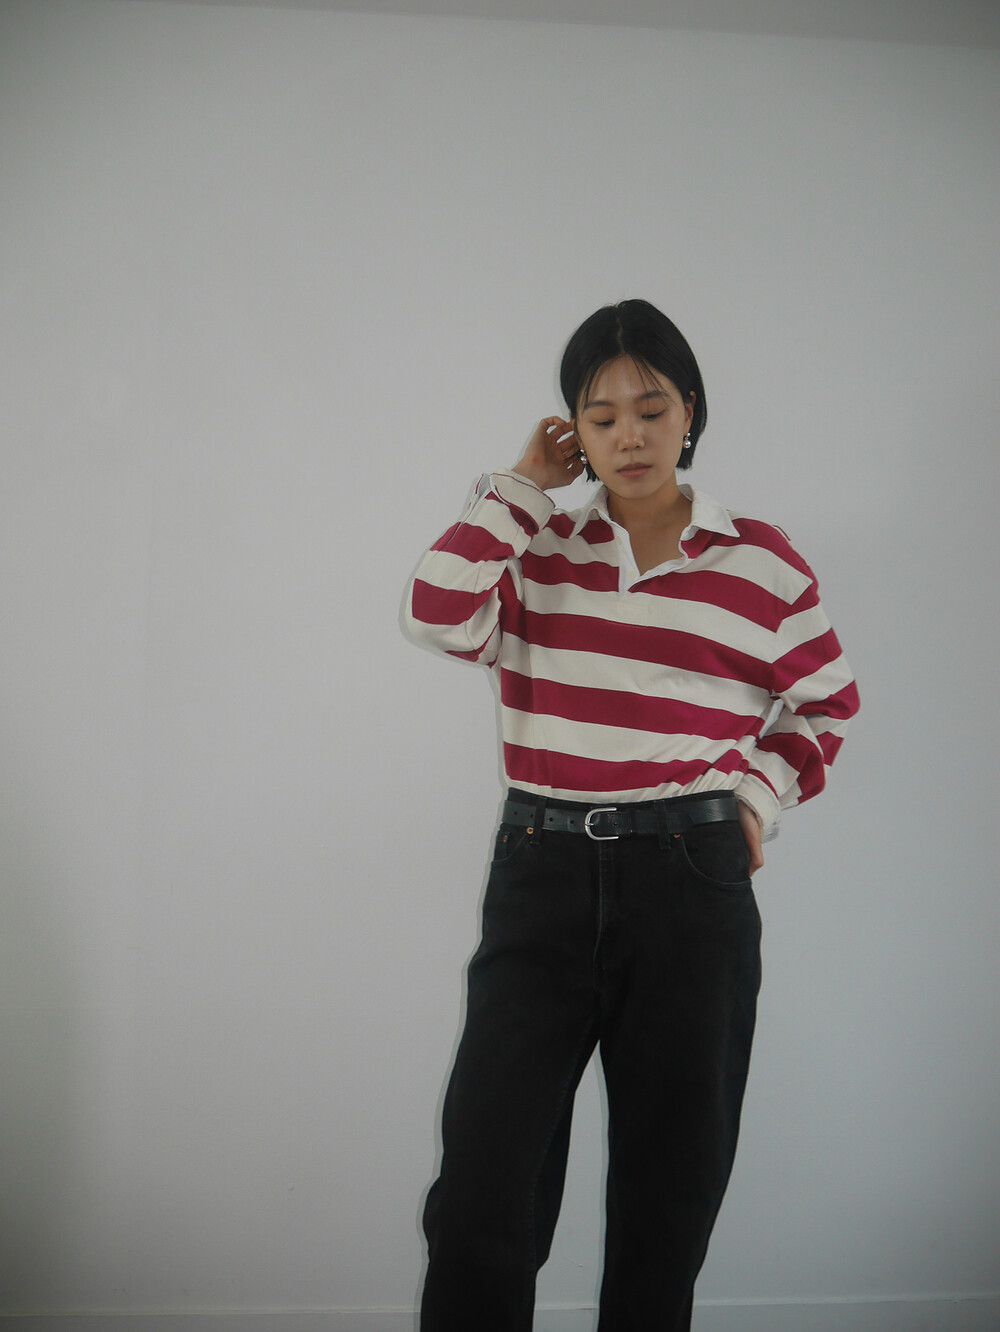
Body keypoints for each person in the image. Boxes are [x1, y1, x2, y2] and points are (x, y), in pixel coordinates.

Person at [403, 299, 858, 1331]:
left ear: (689, 410)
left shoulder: (761, 560)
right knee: (484, 1183)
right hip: (541, 870)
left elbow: (827, 702)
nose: (629, 436)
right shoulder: (535, 547)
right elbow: (434, 614)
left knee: (670, 1187)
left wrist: (754, 800)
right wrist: (521, 487)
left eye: (651, 409)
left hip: (691, 880)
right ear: (572, 429)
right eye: (600, 417)